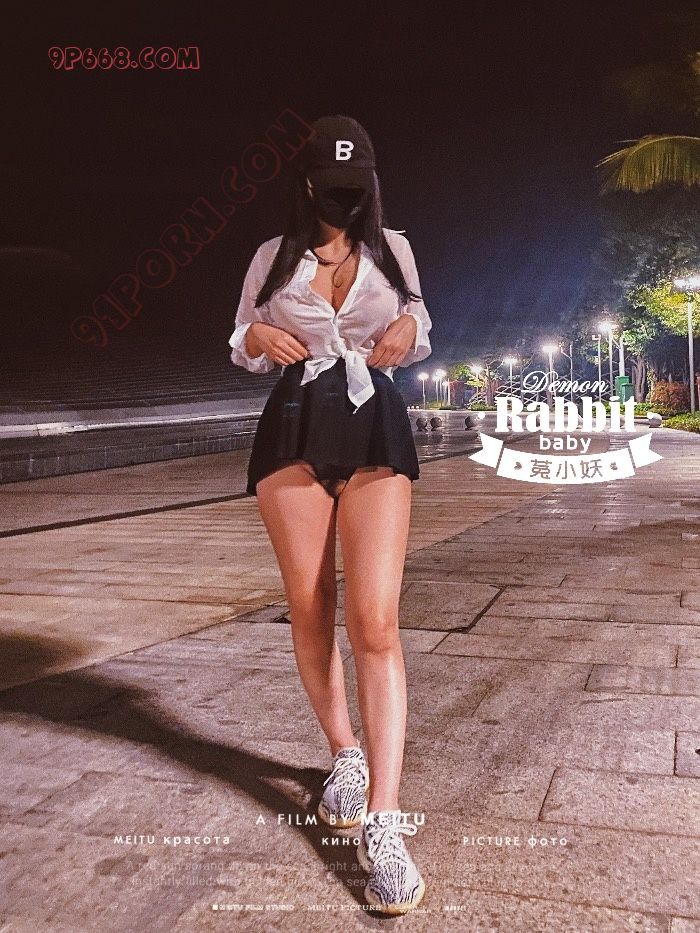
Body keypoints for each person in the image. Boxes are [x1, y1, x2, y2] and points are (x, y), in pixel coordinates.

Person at [228, 115, 432, 915]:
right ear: (307, 182)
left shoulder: (395, 249)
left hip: (374, 417)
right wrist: (258, 333)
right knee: (310, 604)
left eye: (358, 188)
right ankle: (344, 752)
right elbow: (240, 341)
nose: (345, 201)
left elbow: (419, 325)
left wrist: (410, 325)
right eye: (332, 187)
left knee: (375, 619)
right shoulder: (271, 257)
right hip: (294, 421)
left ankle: (385, 820)